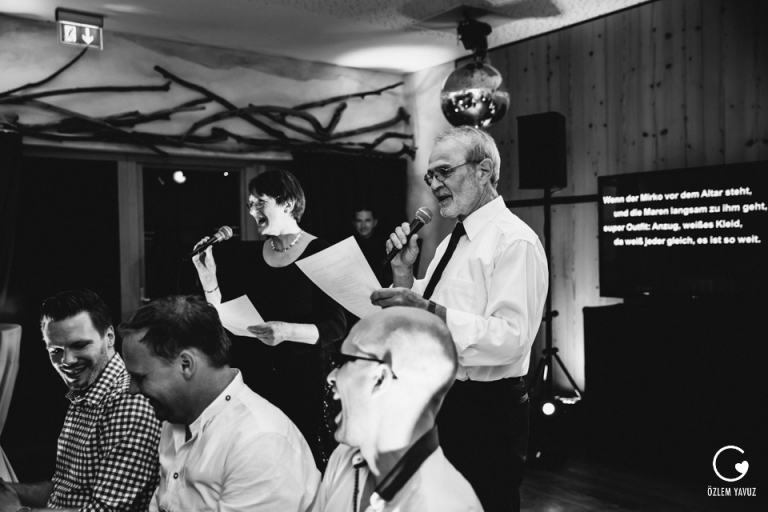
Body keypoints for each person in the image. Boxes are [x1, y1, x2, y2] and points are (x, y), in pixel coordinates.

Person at [370, 126, 549, 512]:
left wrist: (423, 307)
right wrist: (404, 274)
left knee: (486, 503)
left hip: (487, 410)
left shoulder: (513, 241)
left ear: (483, 170)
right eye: (430, 176)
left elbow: (511, 338)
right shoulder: (454, 239)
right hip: (444, 399)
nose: (434, 184)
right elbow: (435, 307)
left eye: (444, 172)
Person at [192, 170, 346, 470]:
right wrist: (208, 278)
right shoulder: (247, 255)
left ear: (288, 203)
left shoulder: (320, 251)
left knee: (297, 466)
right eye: (250, 203)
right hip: (254, 379)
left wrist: (285, 331)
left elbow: (336, 327)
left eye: (260, 202)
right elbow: (222, 312)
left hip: (302, 384)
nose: (252, 211)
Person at [120, 295, 320, 512]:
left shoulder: (260, 442)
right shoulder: (176, 416)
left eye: (140, 377)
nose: (131, 390)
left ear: (186, 364)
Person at [0, 289, 161, 512]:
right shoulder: (87, 391)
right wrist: (9, 491)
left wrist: (15, 510)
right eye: (55, 350)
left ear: (110, 337)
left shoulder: (128, 402)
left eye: (79, 345)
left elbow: (107, 510)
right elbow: (64, 491)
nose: (66, 361)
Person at [314, 307, 483, 512]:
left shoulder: (448, 505)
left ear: (380, 379)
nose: (331, 377)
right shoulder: (343, 457)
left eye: (342, 362)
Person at [352, 205, 393, 288]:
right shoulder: (349, 247)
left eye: (367, 220)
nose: (363, 225)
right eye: (359, 221)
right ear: (354, 223)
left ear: (375, 222)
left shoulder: (386, 246)